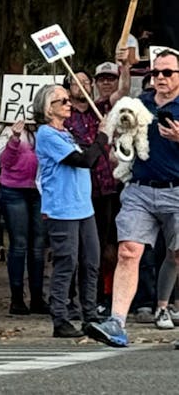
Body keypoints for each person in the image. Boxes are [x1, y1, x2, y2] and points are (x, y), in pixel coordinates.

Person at [90, 49, 179, 348]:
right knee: (128, 251)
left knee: (178, 256)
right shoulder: (140, 103)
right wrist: (124, 67)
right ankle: (116, 322)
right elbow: (117, 102)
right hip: (139, 188)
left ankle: (164, 308)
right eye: (155, 73)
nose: (160, 78)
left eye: (167, 73)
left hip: (177, 190)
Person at [34, 83, 107, 338]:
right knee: (67, 263)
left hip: (83, 207)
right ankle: (60, 317)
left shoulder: (66, 133)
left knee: (91, 262)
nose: (68, 104)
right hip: (62, 209)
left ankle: (90, 314)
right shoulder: (46, 134)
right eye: (62, 101)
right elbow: (83, 160)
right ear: (48, 108)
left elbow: (88, 155)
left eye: (68, 100)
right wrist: (102, 136)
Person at [69, 64, 124, 310]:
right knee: (75, 247)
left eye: (85, 81)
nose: (82, 85)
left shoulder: (100, 109)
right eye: (75, 82)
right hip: (79, 189)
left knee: (102, 245)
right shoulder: (65, 115)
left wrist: (126, 66)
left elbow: (120, 92)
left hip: (106, 187)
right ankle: (70, 297)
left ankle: (101, 296)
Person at [0, 104, 46, 316]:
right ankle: (16, 298)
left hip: (38, 191)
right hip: (13, 191)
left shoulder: (43, 130)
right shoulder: (6, 130)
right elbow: (4, 162)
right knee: (19, 244)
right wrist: (15, 138)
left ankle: (37, 297)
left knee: (38, 245)